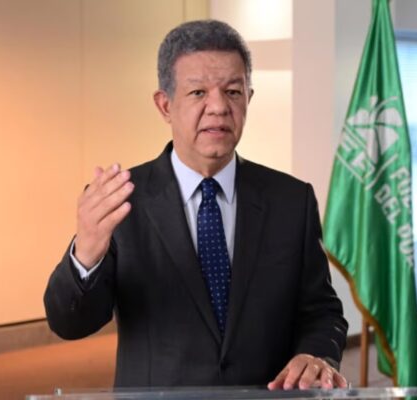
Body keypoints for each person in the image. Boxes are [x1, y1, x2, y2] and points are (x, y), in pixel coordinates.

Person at [44, 19, 348, 390]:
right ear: (165, 105)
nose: (219, 107)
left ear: (248, 98)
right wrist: (86, 254)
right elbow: (69, 324)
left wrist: (318, 354)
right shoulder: (121, 200)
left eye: (233, 91)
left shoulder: (291, 200)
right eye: (198, 92)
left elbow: (321, 310)